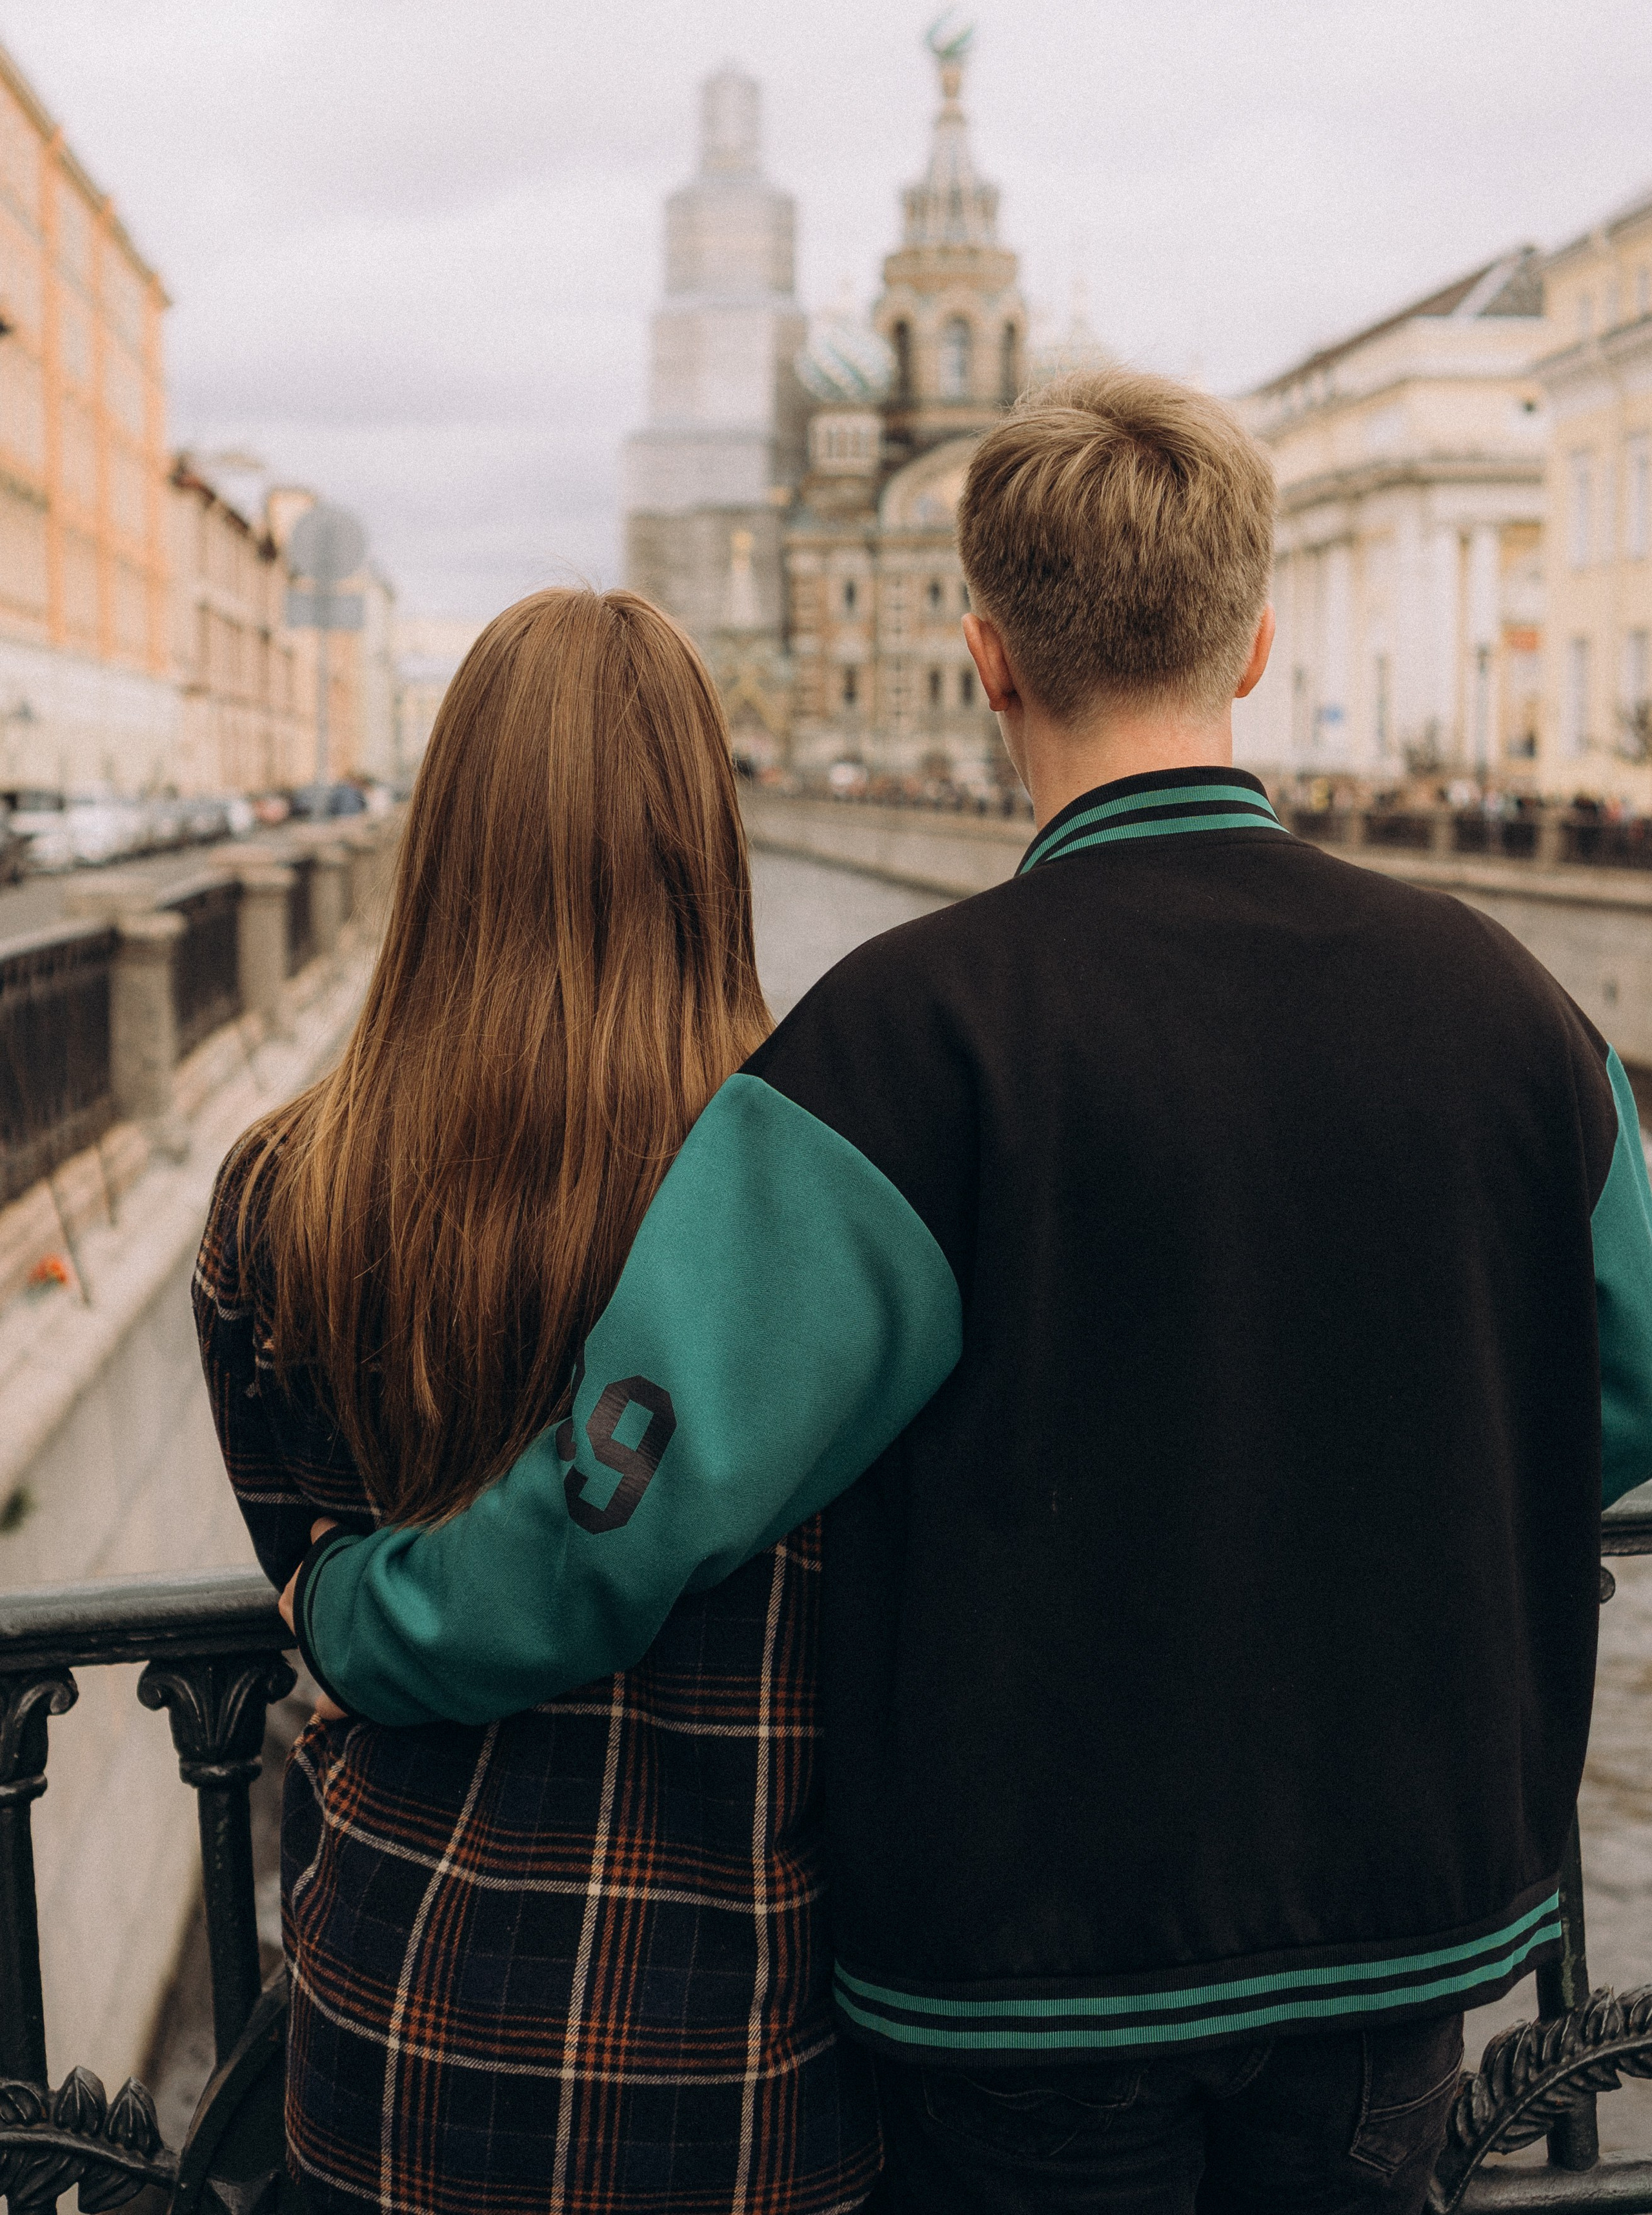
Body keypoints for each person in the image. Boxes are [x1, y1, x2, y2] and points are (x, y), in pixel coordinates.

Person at [283, 370, 1652, 2215]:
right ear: (1256, 645)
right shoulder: (1510, 1012)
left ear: (989, 660)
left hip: (1032, 1975)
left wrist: (367, 1613)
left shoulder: (906, 1045)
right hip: (1399, 1930)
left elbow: (641, 1488)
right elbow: (1614, 1377)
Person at [194, 589, 881, 2215]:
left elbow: (312, 1584)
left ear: (440, 840)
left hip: (396, 2033)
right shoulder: (832, 1204)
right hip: (747, 2065)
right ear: (706, 836)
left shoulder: (282, 1196)